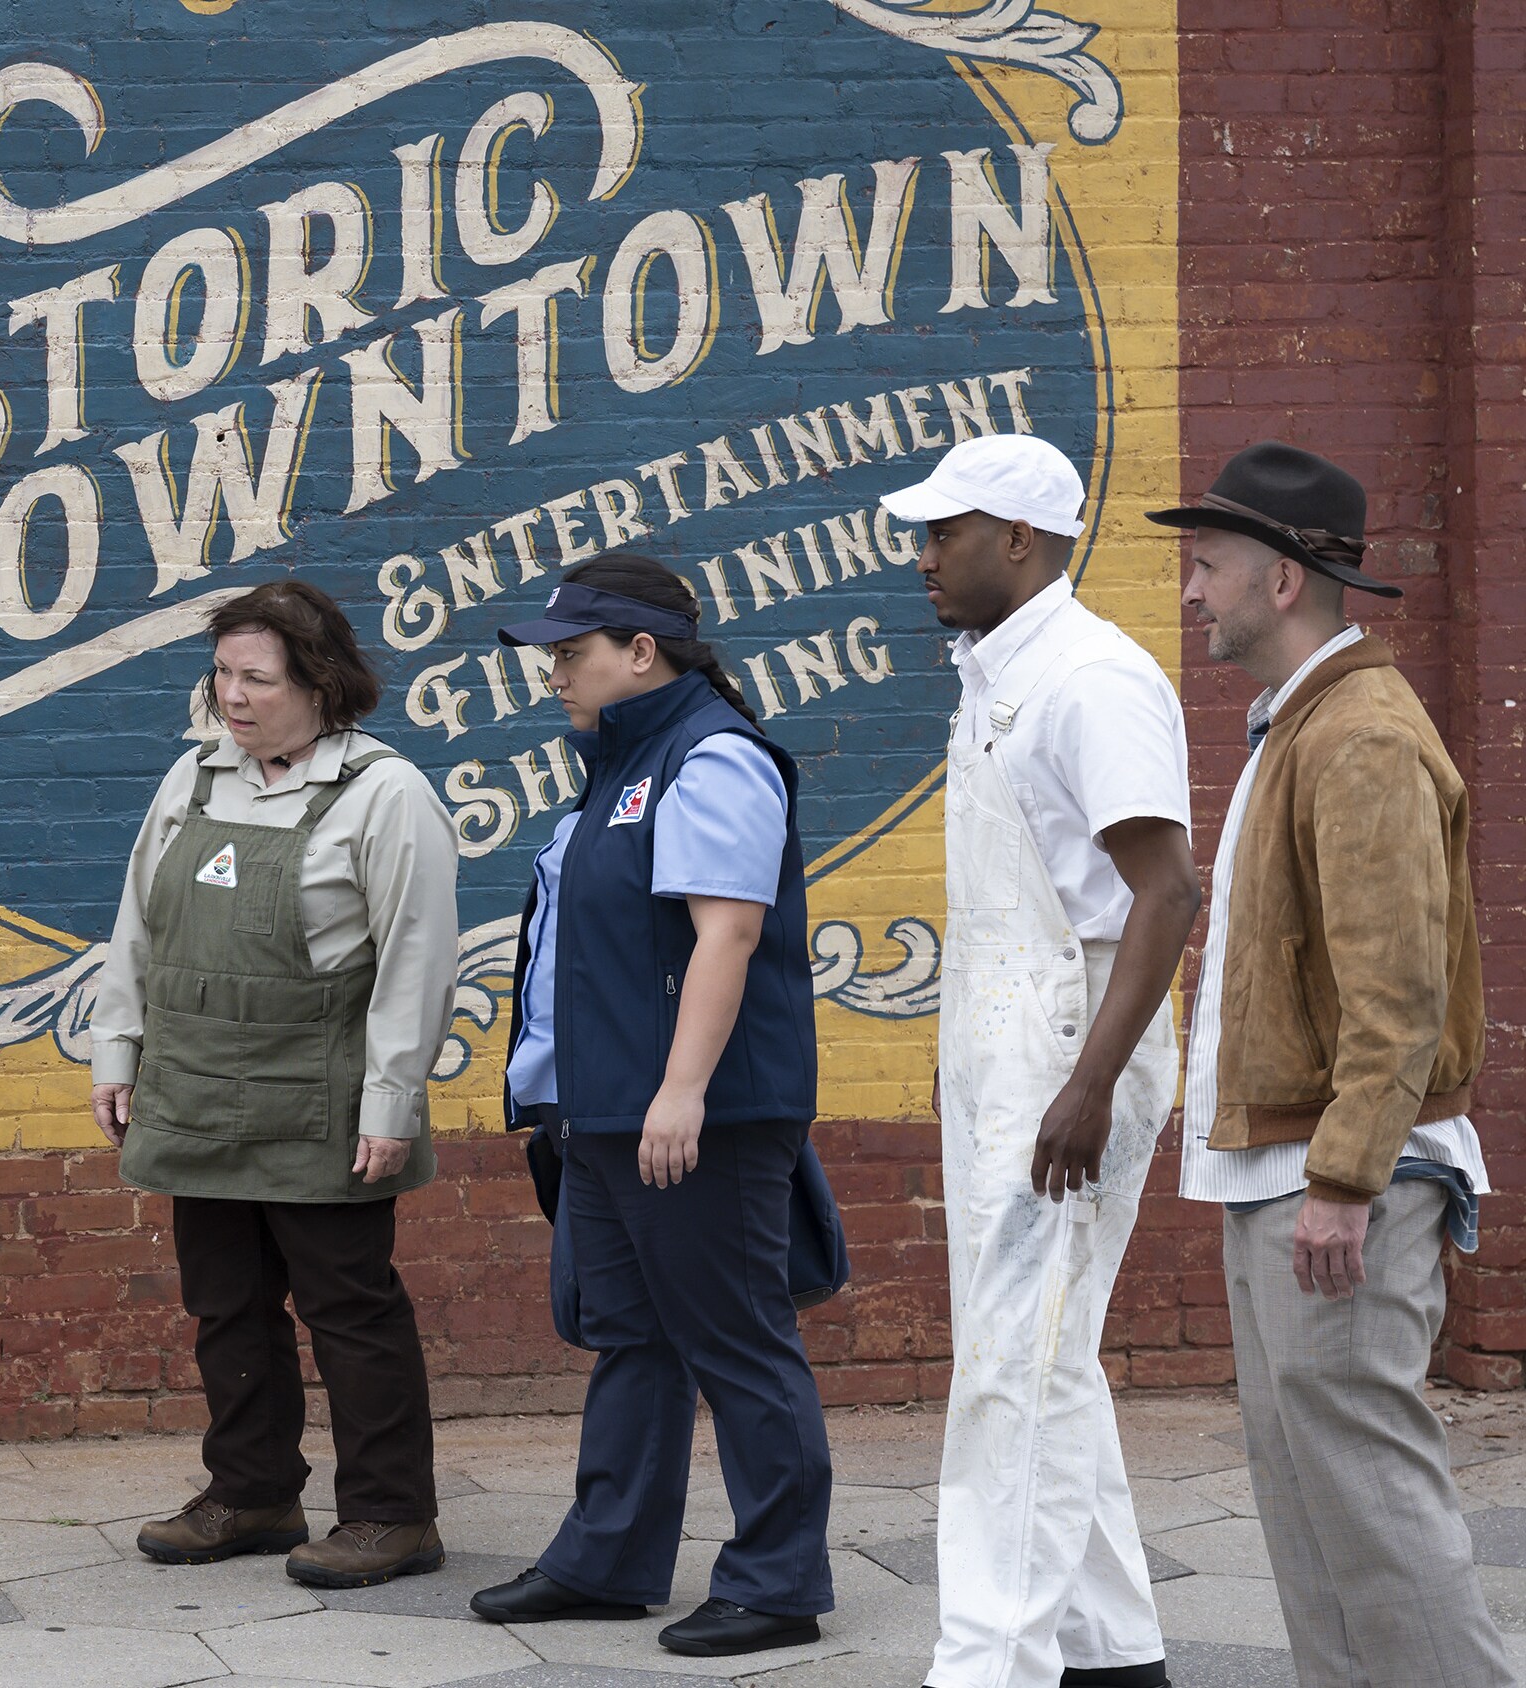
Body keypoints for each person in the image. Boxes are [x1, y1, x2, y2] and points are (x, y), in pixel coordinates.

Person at [1161, 443, 1510, 1688]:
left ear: (1287, 580)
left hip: (1340, 1179)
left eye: (1207, 566)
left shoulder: (1358, 735)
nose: (1190, 591)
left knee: (1368, 1501)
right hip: (1286, 1172)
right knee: (1312, 1508)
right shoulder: (1298, 724)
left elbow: (1397, 990)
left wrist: (1348, 1176)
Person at [877, 435, 1202, 1688]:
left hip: (1072, 1047)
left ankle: (990, 1664)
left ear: (1018, 537)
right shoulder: (999, 669)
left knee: (1012, 1364)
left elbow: (1165, 893)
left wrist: (1086, 1085)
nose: (923, 558)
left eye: (942, 531)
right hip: (1019, 1040)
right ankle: (1117, 1653)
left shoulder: (1089, 679)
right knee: (1043, 1353)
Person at [466, 554, 833, 1658]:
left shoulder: (711, 755)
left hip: (693, 1118)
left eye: (570, 654)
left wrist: (681, 1092)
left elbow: (724, 930)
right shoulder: (623, 766)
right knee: (632, 1337)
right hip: (609, 1112)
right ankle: (608, 1557)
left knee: (736, 1340)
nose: (553, 676)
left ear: (642, 651)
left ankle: (776, 1579)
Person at [89, 579, 461, 1590]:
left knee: (351, 1309)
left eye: (258, 677)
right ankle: (249, 1491)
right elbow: (138, 925)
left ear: (321, 683)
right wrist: (118, 1048)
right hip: (198, 1087)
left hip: (320, 1097)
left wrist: (392, 1103)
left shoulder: (385, 793)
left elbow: (417, 962)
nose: (233, 697)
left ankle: (392, 1512)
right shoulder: (195, 779)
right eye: (222, 674)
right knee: (226, 1305)